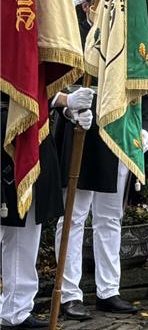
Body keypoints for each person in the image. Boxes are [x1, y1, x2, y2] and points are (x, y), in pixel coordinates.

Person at [53, 0, 148, 320]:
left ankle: (109, 288)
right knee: (74, 216)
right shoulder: (71, 34)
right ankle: (70, 290)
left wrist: (142, 127)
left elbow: (144, 81)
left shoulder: (124, 36)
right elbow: (52, 84)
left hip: (116, 130)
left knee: (111, 217)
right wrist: (67, 101)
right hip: (79, 130)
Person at [2, 88, 91, 330]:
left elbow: (36, 78)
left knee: (26, 227)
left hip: (31, 130)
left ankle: (16, 310)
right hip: (8, 124)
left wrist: (68, 105)